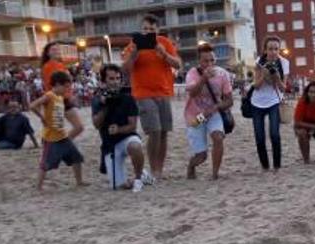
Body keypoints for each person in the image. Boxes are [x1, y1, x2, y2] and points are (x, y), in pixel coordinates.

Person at [122, 14, 182, 181]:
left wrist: (164, 54)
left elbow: (178, 64)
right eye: (145, 29)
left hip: (163, 92)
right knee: (154, 131)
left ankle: (158, 170)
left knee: (163, 133)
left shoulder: (164, 43)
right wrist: (134, 55)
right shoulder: (133, 45)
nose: (148, 32)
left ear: (158, 31)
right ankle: (153, 167)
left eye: (151, 30)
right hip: (143, 93)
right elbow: (125, 69)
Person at [91, 64, 145, 192]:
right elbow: (96, 125)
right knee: (119, 187)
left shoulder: (127, 97)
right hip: (109, 145)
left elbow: (133, 126)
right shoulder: (98, 99)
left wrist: (119, 130)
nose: (115, 82)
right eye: (111, 79)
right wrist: (105, 105)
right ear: (103, 81)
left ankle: (138, 179)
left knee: (135, 146)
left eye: (117, 78)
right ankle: (143, 176)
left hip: (126, 138)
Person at [184, 43, 233, 180]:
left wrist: (216, 107)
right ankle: (191, 166)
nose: (210, 63)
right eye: (205, 61)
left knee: (218, 138)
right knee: (201, 156)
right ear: (199, 61)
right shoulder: (192, 74)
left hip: (212, 114)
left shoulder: (223, 74)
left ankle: (215, 174)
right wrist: (204, 78)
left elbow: (229, 101)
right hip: (195, 116)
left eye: (212, 60)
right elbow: (193, 93)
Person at [29, 71, 85, 190]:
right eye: (65, 86)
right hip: (51, 138)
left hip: (62, 136)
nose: (67, 89)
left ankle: (79, 182)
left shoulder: (60, 97)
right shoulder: (49, 95)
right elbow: (32, 105)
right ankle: (38, 186)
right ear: (58, 84)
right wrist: (42, 117)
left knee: (76, 158)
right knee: (45, 163)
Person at [250, 36, 289, 172]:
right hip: (257, 102)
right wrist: (263, 75)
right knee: (259, 137)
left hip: (274, 101)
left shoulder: (284, 63)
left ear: (279, 50)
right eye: (270, 49)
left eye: (276, 49)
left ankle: (277, 165)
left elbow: (284, 88)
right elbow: (256, 86)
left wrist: (277, 78)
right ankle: (265, 166)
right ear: (265, 50)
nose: (273, 52)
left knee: (274, 134)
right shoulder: (259, 62)